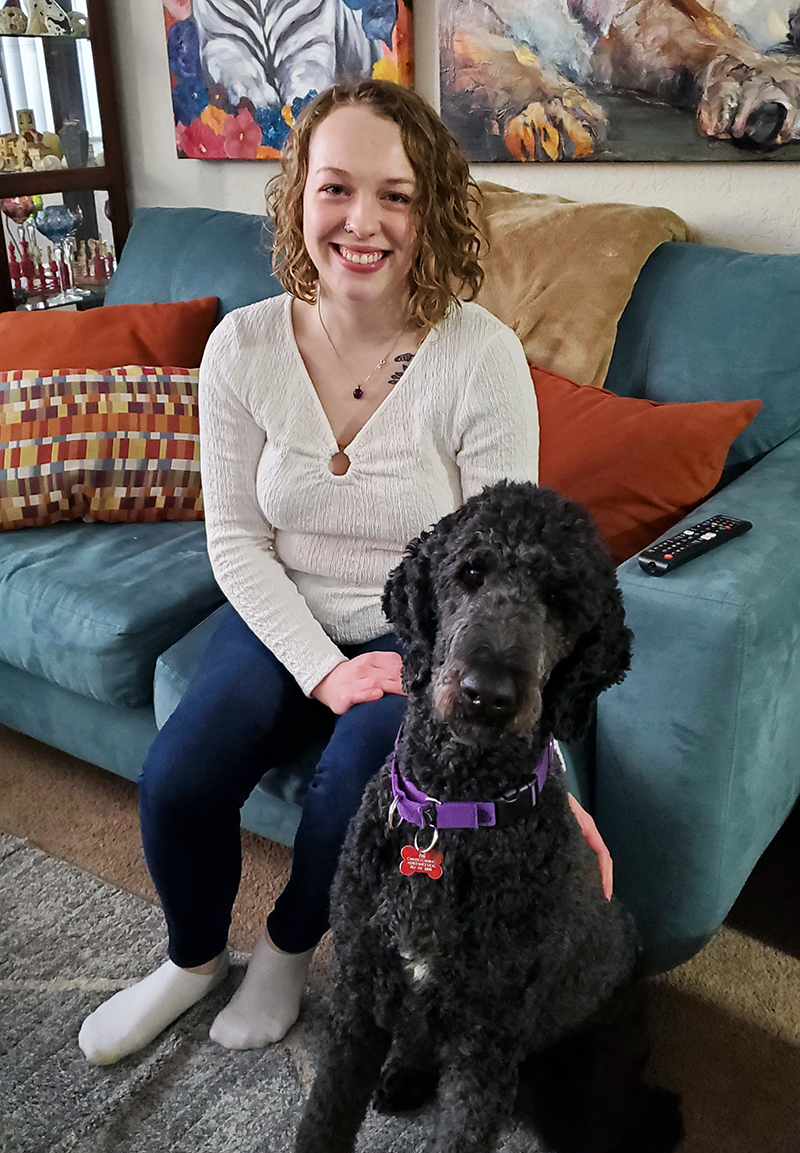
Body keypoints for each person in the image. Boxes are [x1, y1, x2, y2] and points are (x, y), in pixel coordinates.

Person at [78, 79, 610, 1067]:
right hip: (281, 610)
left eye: (395, 195)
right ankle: (191, 960)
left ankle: (286, 946)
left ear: (430, 211)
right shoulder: (240, 346)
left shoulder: (478, 356)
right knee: (176, 780)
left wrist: (546, 769)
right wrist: (320, 667)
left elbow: (506, 576)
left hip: (422, 640)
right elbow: (234, 539)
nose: (362, 222)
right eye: (335, 189)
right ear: (297, 201)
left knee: (353, 788)